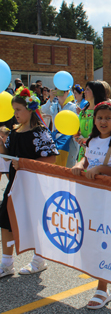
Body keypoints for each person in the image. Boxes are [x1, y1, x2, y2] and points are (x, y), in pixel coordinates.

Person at [71, 101, 111, 309]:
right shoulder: (92, 140)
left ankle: (102, 289)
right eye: (99, 118)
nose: (103, 121)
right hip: (93, 199)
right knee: (96, 238)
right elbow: (87, 161)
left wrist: (101, 169)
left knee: (105, 240)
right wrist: (80, 165)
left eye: (108, 118)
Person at [0, 88, 58, 278]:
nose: (15, 114)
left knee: (35, 221)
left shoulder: (39, 132)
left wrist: (25, 163)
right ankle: (7, 263)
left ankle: (39, 260)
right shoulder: (15, 131)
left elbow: (51, 159)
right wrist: (1, 143)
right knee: (5, 220)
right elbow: (7, 157)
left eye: (18, 110)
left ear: (30, 109)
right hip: (15, 184)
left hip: (34, 185)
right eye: (14, 110)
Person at [41, 88, 79, 167]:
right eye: (58, 90)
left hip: (69, 139)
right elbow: (44, 110)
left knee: (68, 165)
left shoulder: (73, 107)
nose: (61, 93)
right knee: (56, 165)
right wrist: (50, 99)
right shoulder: (54, 105)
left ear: (67, 92)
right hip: (56, 138)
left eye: (63, 91)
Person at [74, 81, 107, 161]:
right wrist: (78, 138)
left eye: (88, 89)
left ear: (95, 92)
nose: (84, 92)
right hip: (83, 151)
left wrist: (89, 140)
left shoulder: (103, 111)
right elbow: (77, 130)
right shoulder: (83, 112)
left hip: (99, 152)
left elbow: (106, 132)